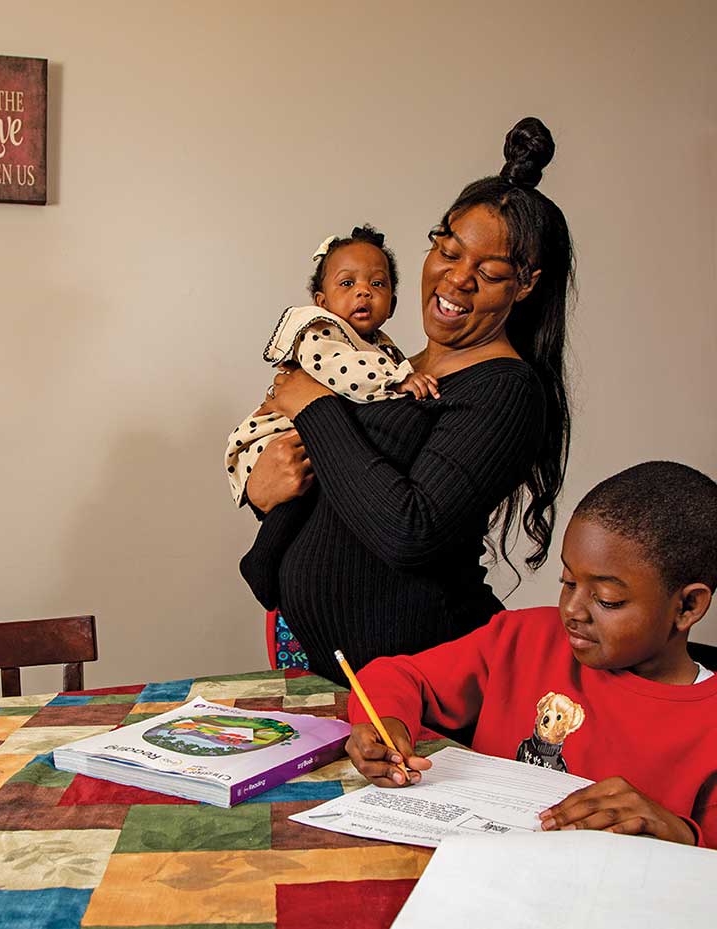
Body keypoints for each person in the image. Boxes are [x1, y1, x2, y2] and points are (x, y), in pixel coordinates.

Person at [242, 116, 575, 684]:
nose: (457, 279)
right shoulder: (387, 365)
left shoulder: (507, 391)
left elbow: (409, 531)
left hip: (425, 683)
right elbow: (342, 487)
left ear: (524, 284)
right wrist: (264, 485)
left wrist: (314, 407)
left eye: (489, 271)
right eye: (447, 250)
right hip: (328, 669)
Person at [345, 461, 717, 849]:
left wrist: (681, 833)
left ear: (688, 606)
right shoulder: (525, 639)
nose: (572, 609)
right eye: (568, 582)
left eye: (608, 600)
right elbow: (398, 676)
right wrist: (386, 725)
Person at [225, 224, 438, 507]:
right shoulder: (320, 330)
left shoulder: (381, 346)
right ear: (321, 302)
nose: (363, 291)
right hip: (271, 438)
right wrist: (395, 381)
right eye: (347, 283)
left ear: (392, 306)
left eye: (377, 283)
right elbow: (343, 371)